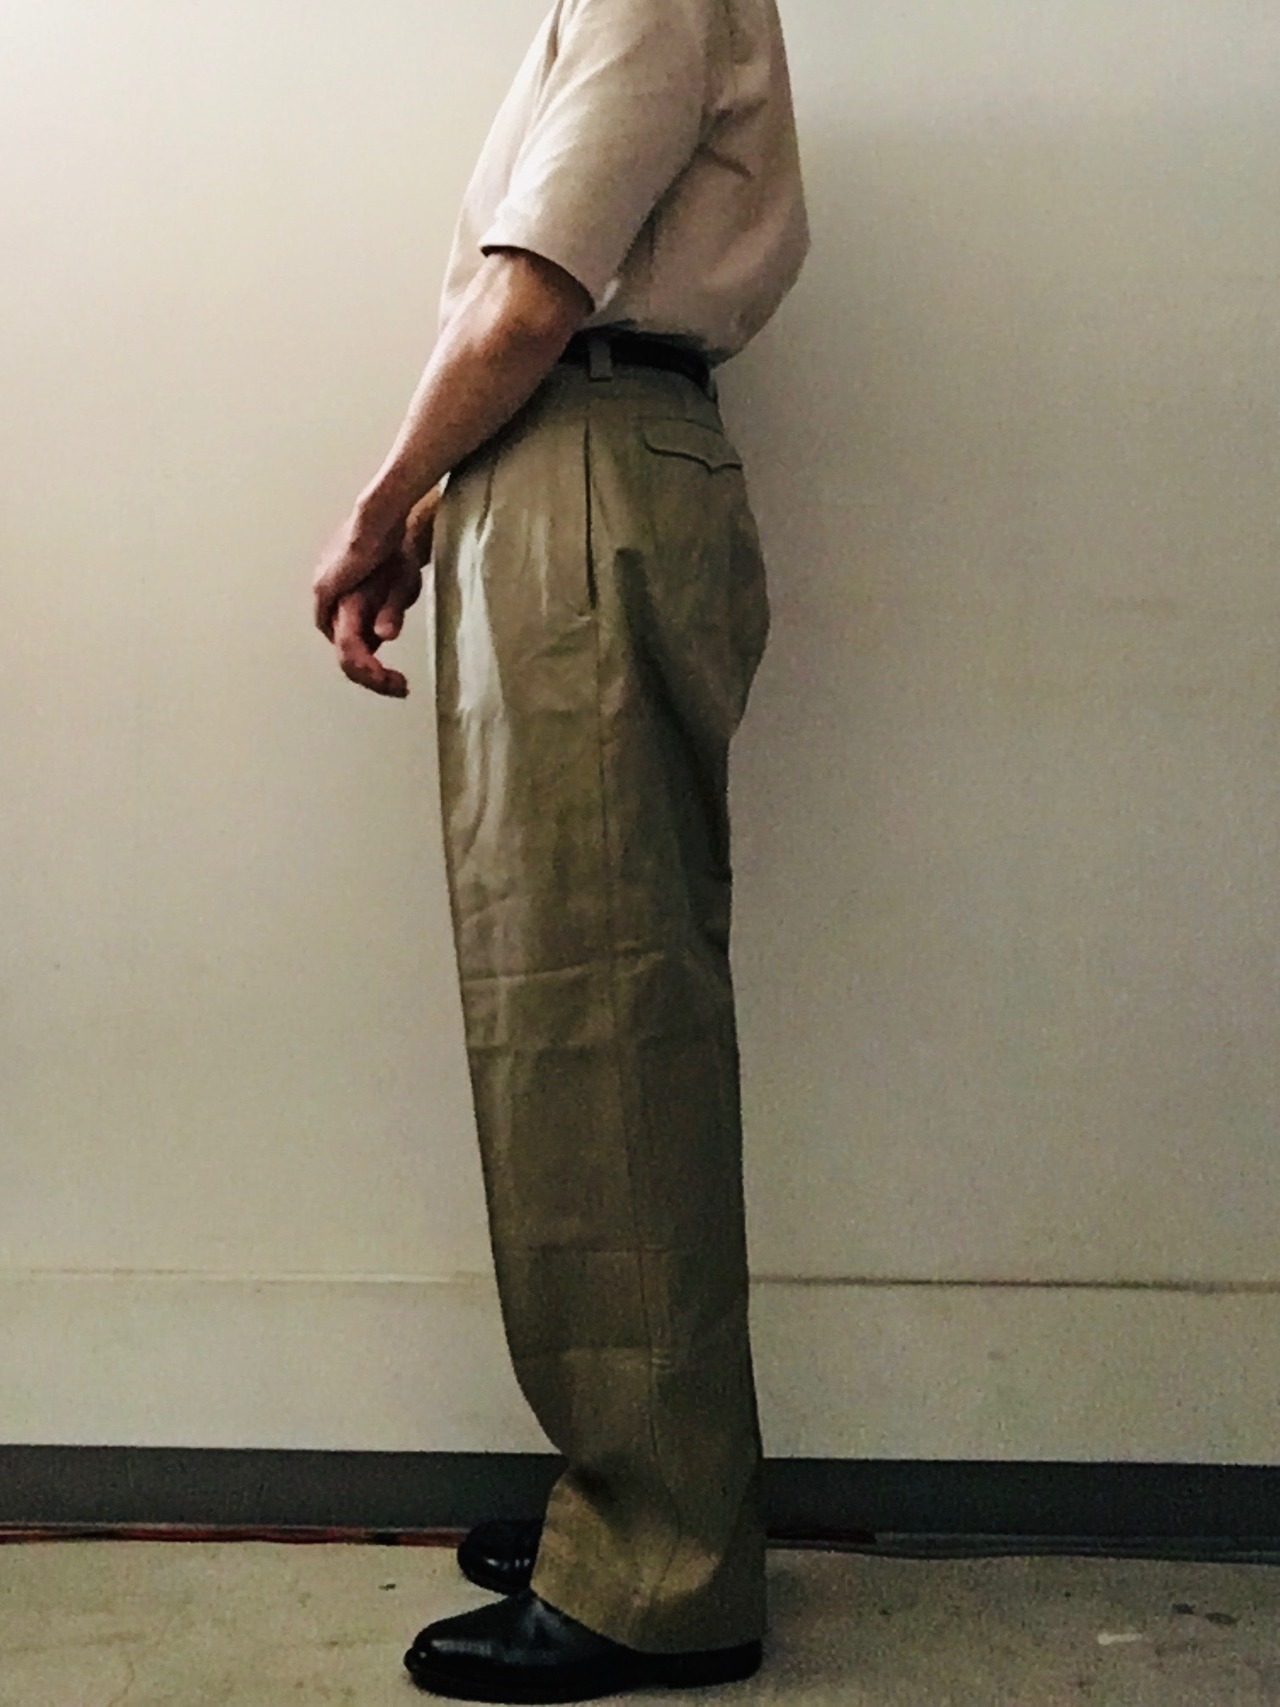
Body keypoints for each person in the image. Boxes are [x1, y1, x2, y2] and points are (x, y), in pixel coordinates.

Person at [311, 0, 808, 1696]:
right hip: (558, 476)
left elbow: (534, 298)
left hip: (582, 481)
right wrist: (435, 509)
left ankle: (661, 1562)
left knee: (596, 1019)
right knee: (584, 1008)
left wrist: (377, 502)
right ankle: (649, 1500)